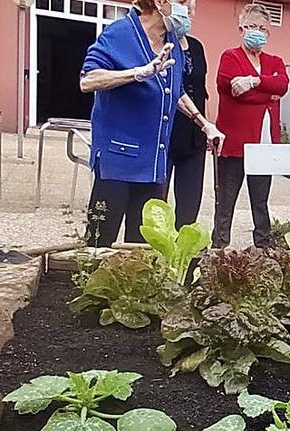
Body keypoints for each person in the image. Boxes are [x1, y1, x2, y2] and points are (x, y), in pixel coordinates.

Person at [79, 0, 223, 246]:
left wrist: (204, 123)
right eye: (181, 1)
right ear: (159, 2)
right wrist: (136, 73)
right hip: (118, 160)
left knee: (142, 245)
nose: (186, 8)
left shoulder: (172, 42)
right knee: (100, 242)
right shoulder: (121, 33)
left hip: (153, 163)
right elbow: (88, 80)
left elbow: (174, 90)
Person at [213, 4, 288, 248]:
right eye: (252, 26)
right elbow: (232, 90)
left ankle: (263, 249)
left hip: (264, 146)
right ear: (241, 28)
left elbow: (283, 85)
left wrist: (254, 82)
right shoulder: (230, 57)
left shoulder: (275, 61)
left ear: (268, 32)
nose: (257, 32)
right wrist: (268, 92)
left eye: (262, 28)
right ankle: (220, 248)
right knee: (225, 202)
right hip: (234, 145)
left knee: (260, 202)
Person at [165, 0, 209, 228]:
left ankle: (183, 255)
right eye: (183, 9)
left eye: (191, 11)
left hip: (194, 137)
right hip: (165, 134)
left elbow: (203, 92)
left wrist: (207, 128)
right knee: (156, 203)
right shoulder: (158, 44)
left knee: (189, 203)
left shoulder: (197, 47)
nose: (187, 15)